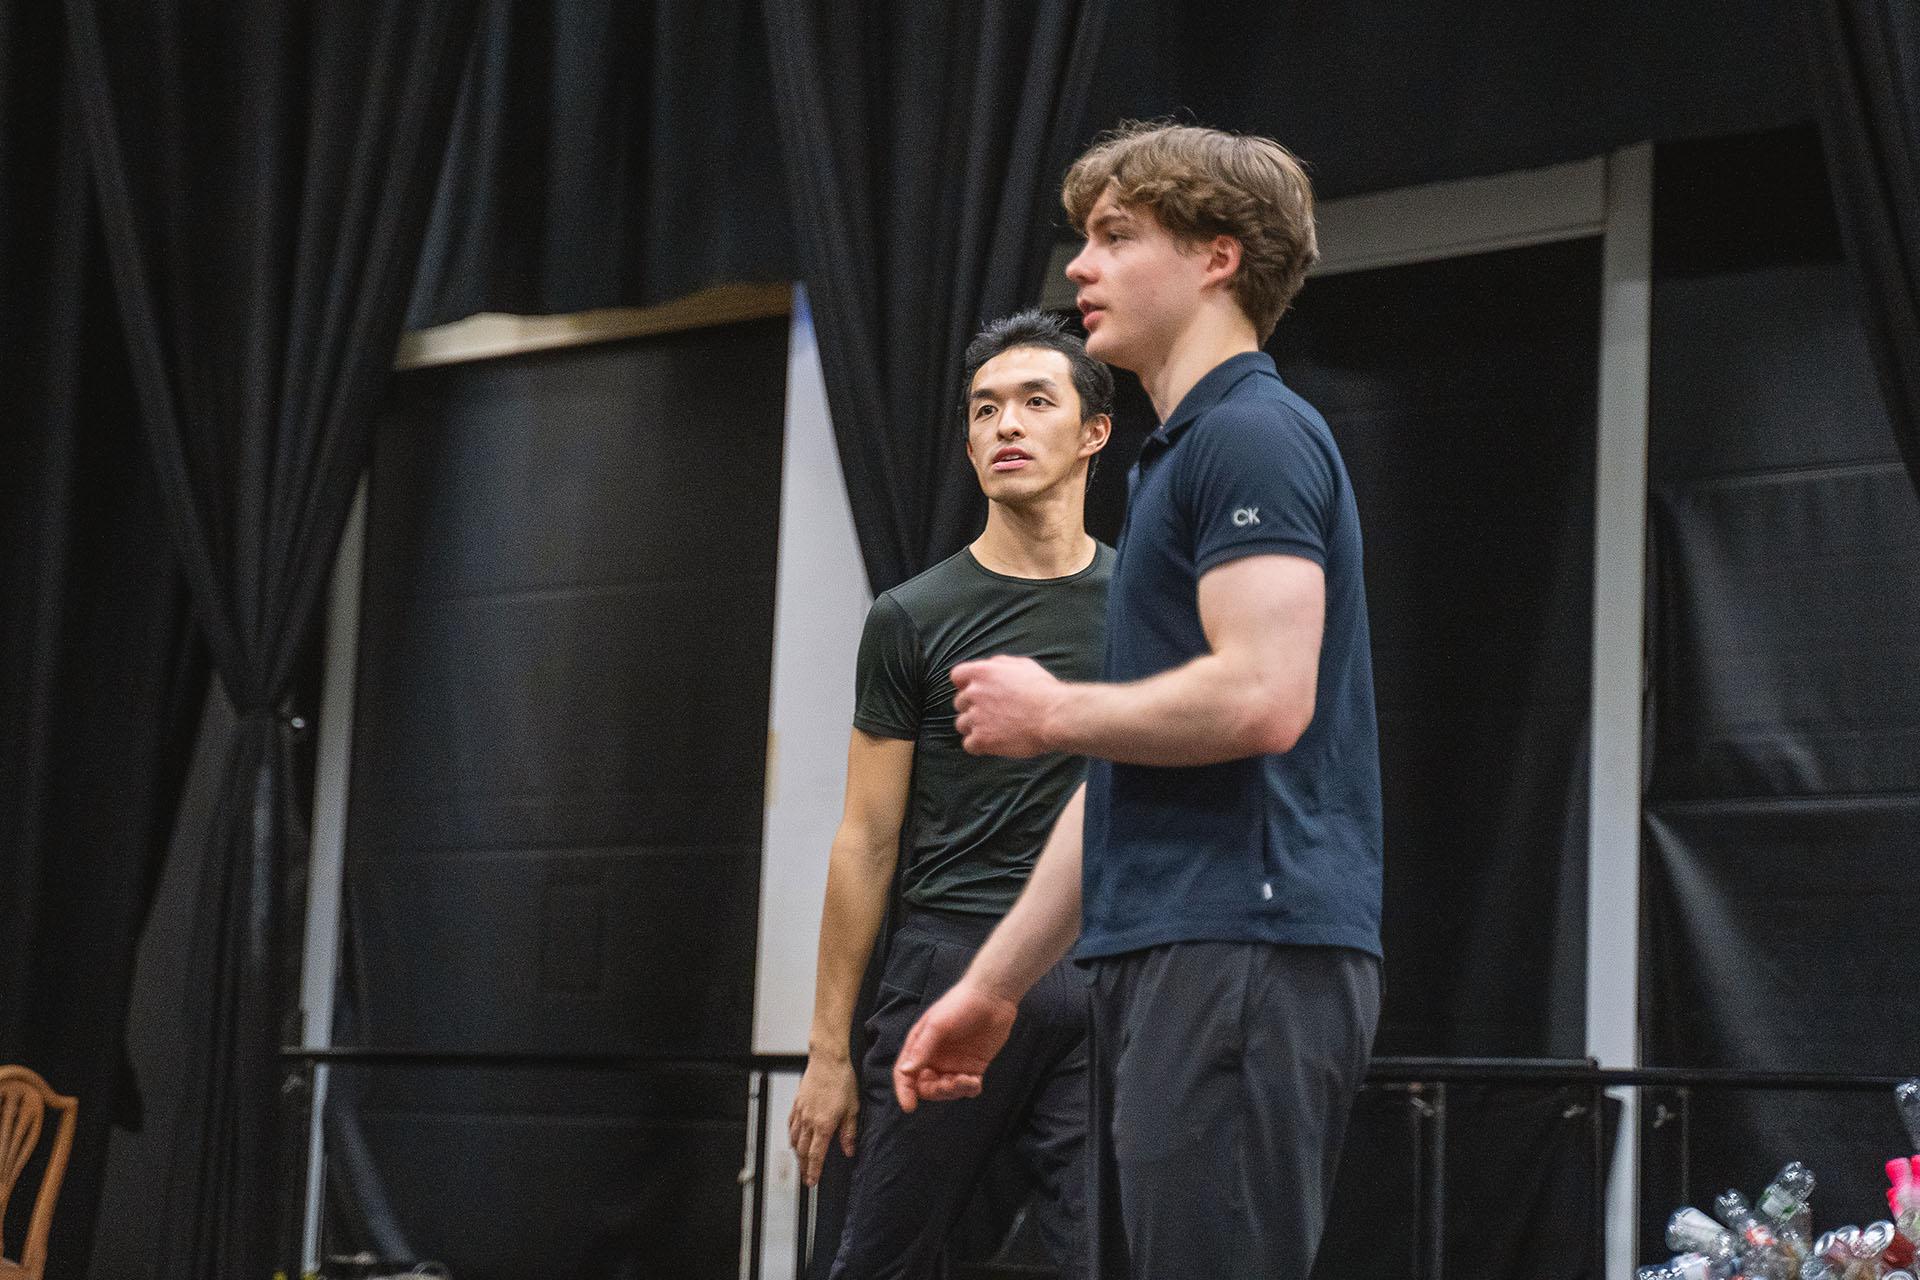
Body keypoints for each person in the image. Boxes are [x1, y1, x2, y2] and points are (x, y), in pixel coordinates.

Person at [892, 122, 1384, 1280]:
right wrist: (990, 986)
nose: (1079, 267)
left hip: (1242, 947)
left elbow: (1265, 695)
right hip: (1178, 950)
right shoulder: (1181, 458)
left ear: (1219, 257)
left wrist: (1051, 709)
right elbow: (1118, 785)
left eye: (1116, 236)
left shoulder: (1252, 435)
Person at [788, 309, 1115, 1278]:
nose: (1004, 424)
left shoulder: (1145, 602)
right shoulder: (912, 617)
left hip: (1098, 972)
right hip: (949, 956)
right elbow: (866, 837)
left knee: (1099, 1254)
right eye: (984, 408)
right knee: (880, 1256)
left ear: (1094, 430)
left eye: (1033, 400)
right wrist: (828, 1049)